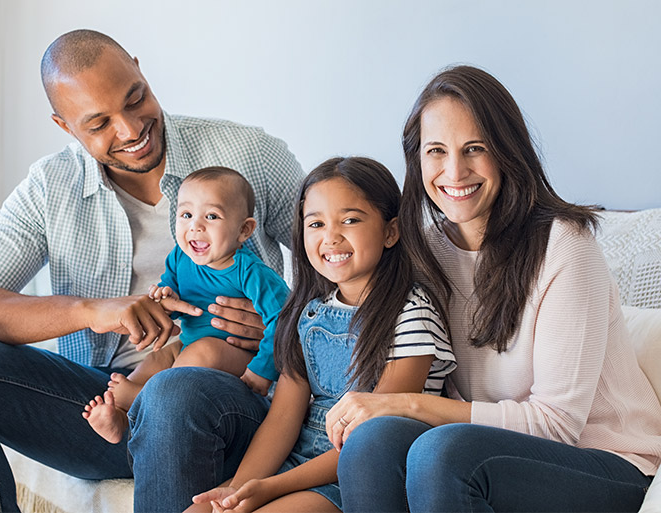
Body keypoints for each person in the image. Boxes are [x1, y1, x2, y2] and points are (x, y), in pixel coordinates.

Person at [0, 29, 303, 512]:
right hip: (110, 404)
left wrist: (281, 331)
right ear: (65, 126)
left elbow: (341, 266)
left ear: (139, 68)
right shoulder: (51, 189)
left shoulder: (246, 155)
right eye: (100, 124)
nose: (132, 129)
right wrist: (93, 310)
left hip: (229, 399)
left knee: (175, 390)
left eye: (136, 99)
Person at [330, 65, 661, 512]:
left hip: (608, 465)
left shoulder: (564, 244)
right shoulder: (423, 251)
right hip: (487, 454)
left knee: (440, 451)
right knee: (375, 439)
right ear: (417, 159)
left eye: (474, 149)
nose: (454, 171)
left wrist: (408, 404)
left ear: (506, 152)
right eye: (436, 151)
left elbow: (557, 426)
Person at [190, 157, 456, 512]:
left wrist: (269, 489)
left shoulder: (410, 313)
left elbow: (372, 436)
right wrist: (239, 489)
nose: (330, 236)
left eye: (350, 220)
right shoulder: (309, 311)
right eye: (315, 223)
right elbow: (283, 418)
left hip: (358, 475)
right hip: (297, 462)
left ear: (390, 231)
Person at [84, 167, 290, 444]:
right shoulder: (180, 257)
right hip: (188, 348)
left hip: (236, 356)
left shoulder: (251, 272)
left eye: (212, 216)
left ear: (244, 230)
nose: (195, 226)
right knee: (160, 357)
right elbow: (171, 290)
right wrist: (164, 298)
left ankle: (144, 398)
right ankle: (122, 416)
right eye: (186, 215)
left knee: (203, 351)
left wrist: (262, 371)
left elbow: (285, 319)